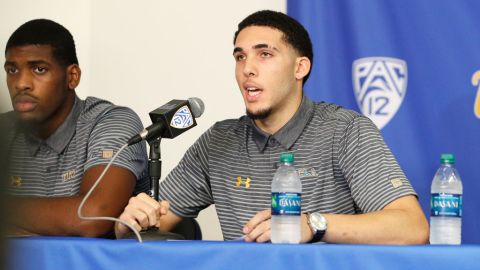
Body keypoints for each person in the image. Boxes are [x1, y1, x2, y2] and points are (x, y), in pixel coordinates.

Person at [115, 10, 429, 244]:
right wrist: (131, 221)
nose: (247, 69)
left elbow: (412, 228)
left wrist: (314, 225)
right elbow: (155, 224)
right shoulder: (218, 142)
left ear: (300, 67)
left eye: (265, 54)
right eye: (240, 57)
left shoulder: (346, 131)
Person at [2, 19, 149, 237]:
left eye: (39, 69)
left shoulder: (112, 121)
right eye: (12, 70)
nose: (21, 83)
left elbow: (92, 217)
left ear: (72, 77)